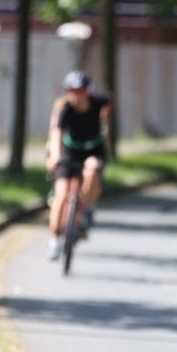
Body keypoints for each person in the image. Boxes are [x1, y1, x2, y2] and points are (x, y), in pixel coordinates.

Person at [45, 71, 111, 260]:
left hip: (93, 150)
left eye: (82, 91)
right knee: (61, 195)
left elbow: (109, 105)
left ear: (88, 91)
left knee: (92, 169)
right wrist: (54, 155)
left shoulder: (98, 103)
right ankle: (53, 240)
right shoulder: (64, 110)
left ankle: (87, 209)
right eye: (73, 91)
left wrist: (105, 121)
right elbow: (56, 134)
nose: (78, 95)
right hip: (69, 152)